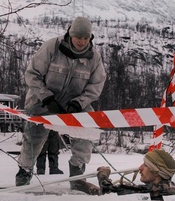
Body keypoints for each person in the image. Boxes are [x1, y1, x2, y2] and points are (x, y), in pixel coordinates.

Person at [15, 16, 106, 192]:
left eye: (85, 38)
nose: (81, 42)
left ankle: (78, 178)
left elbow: (96, 86)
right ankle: (24, 174)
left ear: (90, 38)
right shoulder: (52, 47)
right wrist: (47, 98)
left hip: (74, 103)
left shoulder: (94, 58)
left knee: (86, 132)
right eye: (78, 37)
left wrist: (79, 103)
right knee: (33, 139)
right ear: (70, 35)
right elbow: (32, 74)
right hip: (43, 100)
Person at [95, 149, 175, 201]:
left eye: (145, 165)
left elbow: (108, 192)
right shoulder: (172, 188)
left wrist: (103, 176)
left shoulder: (152, 192)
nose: (140, 168)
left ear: (156, 172)